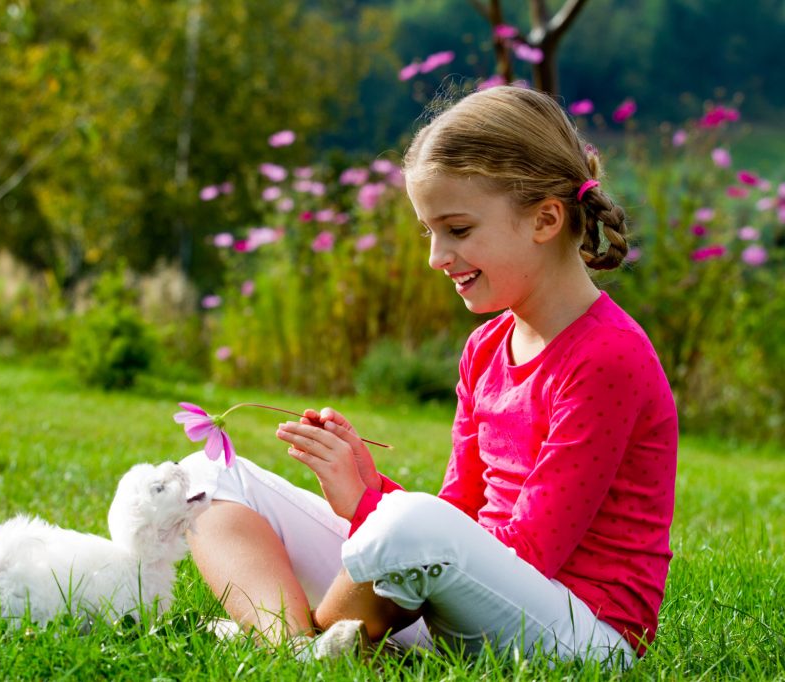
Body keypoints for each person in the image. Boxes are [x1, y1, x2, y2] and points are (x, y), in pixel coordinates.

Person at [181, 85, 677, 666]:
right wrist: (367, 494)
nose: (437, 256)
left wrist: (370, 507)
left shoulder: (606, 358)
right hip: (468, 602)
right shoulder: (486, 347)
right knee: (205, 479)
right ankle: (295, 650)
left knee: (409, 525)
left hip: (581, 636)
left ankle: (317, 647)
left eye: (459, 230)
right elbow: (459, 514)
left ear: (546, 219)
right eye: (430, 232)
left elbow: (526, 552)